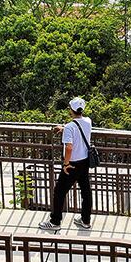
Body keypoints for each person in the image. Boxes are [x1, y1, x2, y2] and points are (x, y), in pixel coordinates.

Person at [39, 97, 93, 231]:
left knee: (59, 191)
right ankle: (85, 220)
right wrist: (64, 129)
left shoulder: (70, 127)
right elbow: (78, 129)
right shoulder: (88, 121)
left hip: (72, 164)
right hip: (85, 161)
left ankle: (55, 221)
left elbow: (69, 147)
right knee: (86, 191)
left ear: (71, 110)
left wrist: (66, 164)